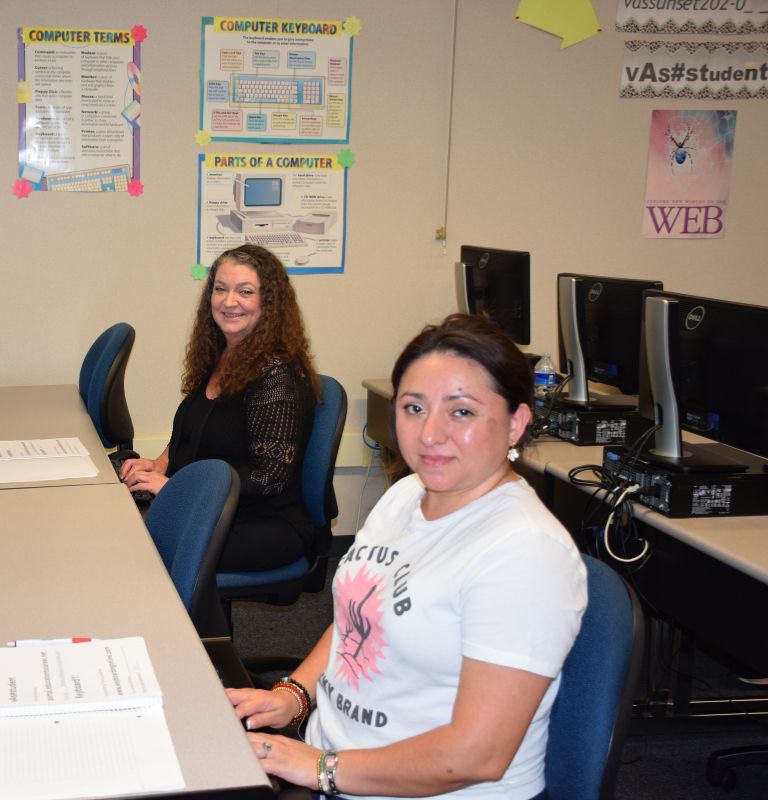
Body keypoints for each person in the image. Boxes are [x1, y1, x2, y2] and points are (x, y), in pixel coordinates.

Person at [227, 313, 587, 800]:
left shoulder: (524, 553)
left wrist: (321, 768)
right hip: (330, 770)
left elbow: (476, 755)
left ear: (515, 423)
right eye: (414, 408)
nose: (430, 433)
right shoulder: (407, 494)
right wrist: (293, 696)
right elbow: (359, 619)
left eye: (461, 412)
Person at [119, 244, 321, 571]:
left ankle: (196, 624)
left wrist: (177, 490)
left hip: (260, 523)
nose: (229, 302)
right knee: (124, 528)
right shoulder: (222, 355)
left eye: (245, 291)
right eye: (220, 289)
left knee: (141, 551)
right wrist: (158, 466)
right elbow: (193, 429)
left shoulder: (277, 375)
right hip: (209, 507)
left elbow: (269, 475)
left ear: (269, 302)